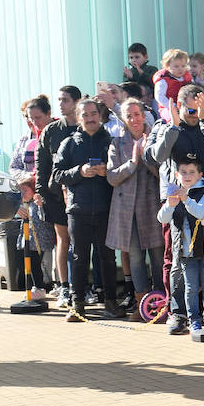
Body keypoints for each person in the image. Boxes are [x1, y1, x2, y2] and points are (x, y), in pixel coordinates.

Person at [146, 83, 204, 333]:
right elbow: (157, 156)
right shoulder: (168, 128)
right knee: (177, 261)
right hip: (178, 199)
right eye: (190, 110)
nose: (194, 114)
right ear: (179, 106)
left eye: (199, 109)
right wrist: (172, 127)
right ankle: (178, 313)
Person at [53, 98, 123, 321]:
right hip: (78, 209)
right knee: (79, 257)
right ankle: (77, 305)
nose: (91, 118)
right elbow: (56, 176)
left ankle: (111, 303)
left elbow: (123, 172)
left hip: (106, 208)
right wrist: (79, 172)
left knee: (108, 258)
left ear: (99, 115)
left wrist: (108, 173)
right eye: (86, 115)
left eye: (94, 113)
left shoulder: (111, 142)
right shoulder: (69, 144)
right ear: (78, 117)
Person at [106, 99, 164, 321]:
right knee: (136, 259)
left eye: (137, 114)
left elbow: (163, 173)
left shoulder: (157, 136)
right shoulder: (117, 142)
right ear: (123, 118)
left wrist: (146, 157)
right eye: (129, 116)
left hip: (152, 206)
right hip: (127, 209)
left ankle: (161, 303)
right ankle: (142, 305)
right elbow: (111, 177)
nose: (134, 119)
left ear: (143, 115)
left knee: (158, 257)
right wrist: (131, 162)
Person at [36, 85, 82, 309]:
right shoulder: (51, 130)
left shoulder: (88, 127)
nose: (61, 104)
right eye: (59, 100)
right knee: (63, 240)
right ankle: (64, 286)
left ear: (77, 101)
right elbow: (42, 164)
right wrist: (41, 191)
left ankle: (85, 286)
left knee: (83, 242)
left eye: (65, 100)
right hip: (56, 195)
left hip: (84, 195)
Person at [156, 158, 204, 334]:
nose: (187, 176)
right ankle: (192, 320)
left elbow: (203, 212)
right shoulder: (172, 192)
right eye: (183, 172)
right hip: (184, 252)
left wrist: (186, 199)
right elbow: (162, 219)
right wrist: (170, 205)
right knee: (190, 288)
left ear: (200, 175)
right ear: (176, 175)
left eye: (192, 172)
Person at [9, 95, 57, 298]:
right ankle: (38, 285)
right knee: (29, 241)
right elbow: (14, 167)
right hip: (30, 196)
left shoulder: (55, 133)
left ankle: (62, 284)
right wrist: (26, 179)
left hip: (52, 194)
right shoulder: (23, 140)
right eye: (28, 117)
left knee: (60, 242)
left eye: (36, 117)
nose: (32, 121)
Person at [152, 49, 194, 121]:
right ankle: (173, 129)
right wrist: (172, 105)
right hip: (167, 107)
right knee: (172, 118)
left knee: (194, 114)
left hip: (184, 106)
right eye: (176, 66)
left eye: (183, 66)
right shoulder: (163, 80)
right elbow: (160, 96)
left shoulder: (187, 78)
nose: (180, 69)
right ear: (167, 66)